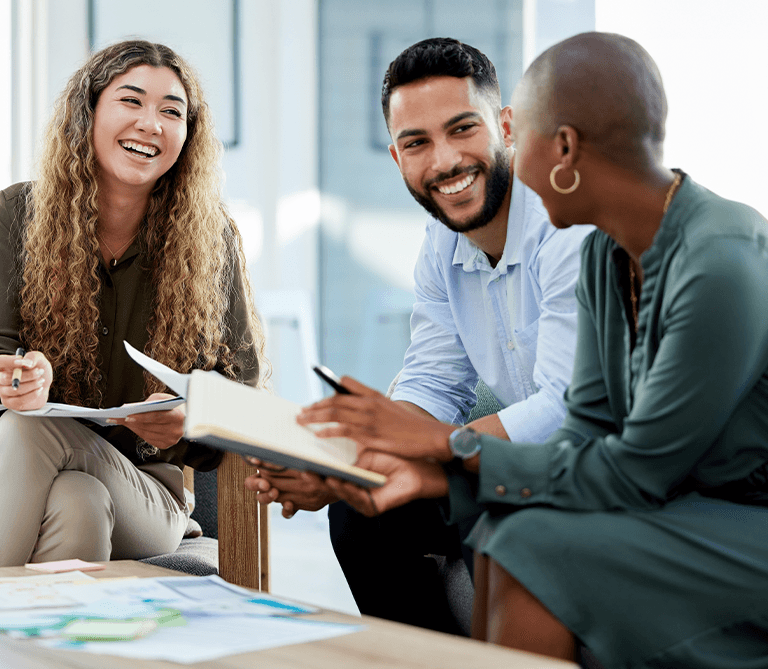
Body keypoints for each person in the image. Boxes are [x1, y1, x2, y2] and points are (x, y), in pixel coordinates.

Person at [299, 32, 768, 667]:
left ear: (556, 144)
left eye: (518, 136)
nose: (506, 162)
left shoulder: (718, 259)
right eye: (416, 142)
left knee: (529, 545)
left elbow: (631, 465)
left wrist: (445, 451)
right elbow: (587, 426)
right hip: (647, 488)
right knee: (491, 529)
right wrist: (375, 460)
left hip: (727, 508)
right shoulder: (608, 250)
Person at [247, 38, 592, 633]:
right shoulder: (442, 244)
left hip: (585, 467)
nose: (445, 162)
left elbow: (564, 409)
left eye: (463, 129)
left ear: (505, 125)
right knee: (362, 513)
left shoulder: (565, 228)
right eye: (417, 143)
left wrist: (425, 449)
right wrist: (341, 466)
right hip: (511, 459)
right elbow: (433, 381)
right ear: (397, 157)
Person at [0, 39, 263, 569]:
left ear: (188, 137)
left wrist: (190, 422)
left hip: (144, 493)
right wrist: (8, 376)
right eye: (131, 101)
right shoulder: (20, 213)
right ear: (89, 112)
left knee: (34, 434)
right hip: (3, 467)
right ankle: (52, 652)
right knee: (77, 502)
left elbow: (243, 395)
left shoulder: (214, 240)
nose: (151, 123)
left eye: (172, 111)